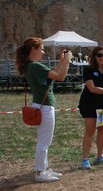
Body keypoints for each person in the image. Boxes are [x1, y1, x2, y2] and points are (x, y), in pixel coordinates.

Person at [15, 38, 73, 182]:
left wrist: (61, 61)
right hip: (45, 107)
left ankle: (44, 168)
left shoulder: (32, 66)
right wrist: (67, 61)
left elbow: (52, 76)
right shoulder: (35, 66)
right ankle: (40, 172)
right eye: (41, 49)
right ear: (33, 49)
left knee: (44, 140)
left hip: (42, 106)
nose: (43, 52)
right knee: (44, 142)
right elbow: (60, 77)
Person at [78, 46, 103, 170]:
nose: (102, 58)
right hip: (90, 104)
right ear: (94, 56)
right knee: (90, 131)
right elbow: (92, 88)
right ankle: (85, 159)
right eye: (100, 55)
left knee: (102, 130)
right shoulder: (89, 70)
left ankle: (100, 156)